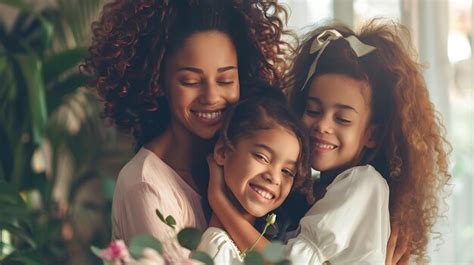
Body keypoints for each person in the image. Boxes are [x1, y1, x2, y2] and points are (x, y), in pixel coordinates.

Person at [207, 19, 452, 264]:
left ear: (372, 135)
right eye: (313, 110)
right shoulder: (313, 192)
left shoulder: (363, 184)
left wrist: (219, 201)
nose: (323, 125)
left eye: (342, 119)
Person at [81, 0, 293, 262]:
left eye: (226, 80)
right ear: (158, 82)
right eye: (191, 81)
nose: (211, 96)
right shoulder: (146, 185)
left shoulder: (245, 167)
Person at [196, 90, 311, 264]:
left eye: (287, 172)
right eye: (262, 157)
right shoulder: (217, 247)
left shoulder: (278, 236)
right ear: (223, 152)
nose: (274, 178)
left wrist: (218, 198)